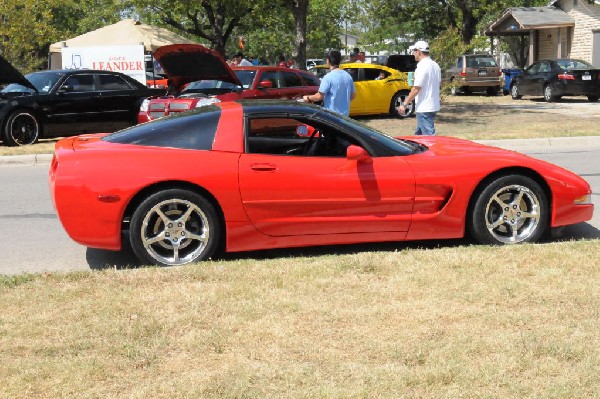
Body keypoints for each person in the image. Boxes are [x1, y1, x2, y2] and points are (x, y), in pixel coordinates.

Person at [397, 41, 441, 135]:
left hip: (424, 107)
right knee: (419, 137)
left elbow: (416, 88)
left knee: (429, 137)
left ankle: (433, 150)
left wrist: (404, 104)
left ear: (419, 52)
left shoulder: (422, 66)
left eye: (414, 51)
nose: (413, 54)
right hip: (433, 105)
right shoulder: (435, 65)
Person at [302, 50, 356, 116]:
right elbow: (353, 95)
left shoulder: (328, 77)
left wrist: (308, 98)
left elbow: (319, 96)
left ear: (328, 61)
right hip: (345, 117)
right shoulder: (348, 76)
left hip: (332, 117)